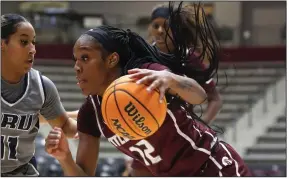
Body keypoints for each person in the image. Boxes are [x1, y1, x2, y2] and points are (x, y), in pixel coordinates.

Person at [45, 20, 251, 178]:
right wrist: (65, 158)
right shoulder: (92, 112)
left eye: (85, 58)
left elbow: (200, 96)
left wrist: (171, 79)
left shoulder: (145, 75)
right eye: (76, 60)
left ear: (111, 60)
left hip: (213, 167)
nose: (77, 67)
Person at [1, 13, 78, 176]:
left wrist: (97, 118)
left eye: (33, 42)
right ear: (2, 44)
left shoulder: (42, 86)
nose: (33, 50)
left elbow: (66, 127)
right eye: (24, 42)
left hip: (21, 171)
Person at [146, 3, 223, 124]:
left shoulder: (190, 59)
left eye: (166, 26)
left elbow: (215, 99)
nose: (160, 30)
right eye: (156, 25)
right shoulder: (141, 55)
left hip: (181, 133)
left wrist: (202, 124)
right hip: (148, 130)